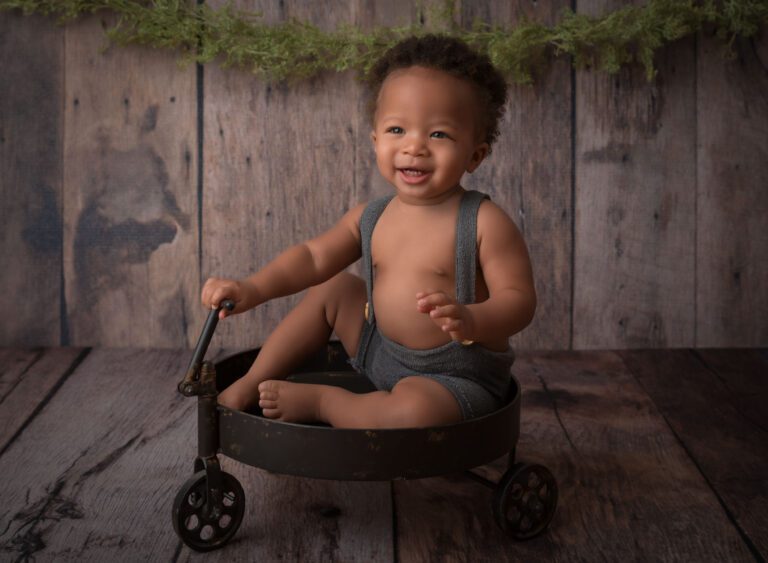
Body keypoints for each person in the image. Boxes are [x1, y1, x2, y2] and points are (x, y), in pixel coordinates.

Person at [201, 34, 536, 429]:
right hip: (381, 351)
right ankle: (250, 382)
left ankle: (326, 403)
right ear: (376, 140)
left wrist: (473, 319)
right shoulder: (372, 216)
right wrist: (252, 289)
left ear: (475, 155)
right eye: (397, 130)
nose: (414, 147)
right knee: (333, 289)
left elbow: (519, 300)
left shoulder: (484, 222)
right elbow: (313, 257)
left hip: (454, 379)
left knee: (415, 411)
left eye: (438, 134)